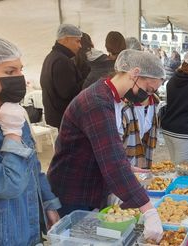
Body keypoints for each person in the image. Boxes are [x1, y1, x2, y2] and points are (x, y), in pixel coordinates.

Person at [47, 49, 165, 242]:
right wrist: (148, 210)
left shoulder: (110, 96)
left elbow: (108, 148)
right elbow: (112, 161)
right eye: (148, 89)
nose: (147, 96)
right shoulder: (97, 102)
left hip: (91, 184)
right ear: (135, 73)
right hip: (74, 189)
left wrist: (127, 167)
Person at [0, 35, 61, 245]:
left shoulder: (10, 116)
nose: (19, 78)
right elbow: (6, 185)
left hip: (27, 228)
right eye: (9, 72)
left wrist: (48, 202)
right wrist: (12, 135)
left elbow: (33, 165)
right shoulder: (10, 125)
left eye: (20, 70)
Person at [40, 23, 83, 128]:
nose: (80, 46)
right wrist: (87, 81)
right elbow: (68, 93)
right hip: (64, 119)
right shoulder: (62, 61)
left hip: (55, 118)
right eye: (77, 41)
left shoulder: (51, 57)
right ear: (66, 40)